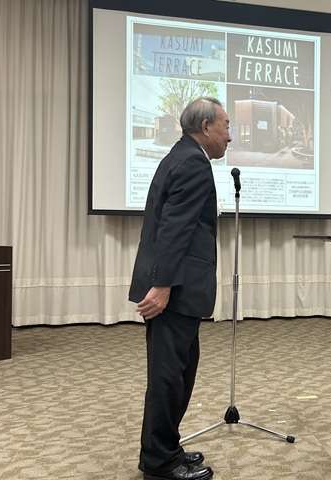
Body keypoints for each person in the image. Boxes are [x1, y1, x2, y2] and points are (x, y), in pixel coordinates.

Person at [129, 97, 231, 480]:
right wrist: (162, 286)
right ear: (205, 127)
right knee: (169, 378)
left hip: (178, 288)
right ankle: (160, 463)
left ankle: (166, 448)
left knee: (178, 373)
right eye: (225, 126)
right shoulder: (192, 163)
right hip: (174, 291)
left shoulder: (183, 155)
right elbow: (175, 229)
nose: (230, 136)